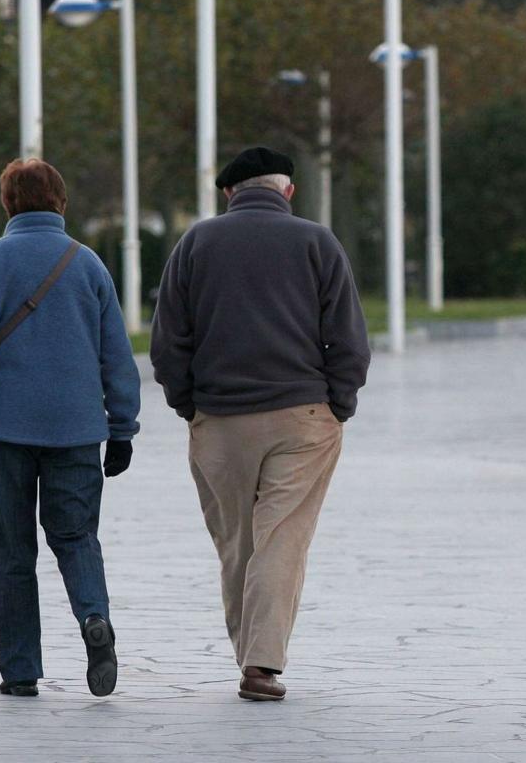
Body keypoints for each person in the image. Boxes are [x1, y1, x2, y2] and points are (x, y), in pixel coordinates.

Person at [151, 146, 370, 701]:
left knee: (238, 545)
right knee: (281, 540)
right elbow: (348, 339)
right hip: (302, 417)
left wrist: (190, 405)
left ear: (229, 193)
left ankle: (252, 658)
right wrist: (337, 403)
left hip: (220, 420)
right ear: (287, 191)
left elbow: (168, 342)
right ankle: (261, 664)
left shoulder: (196, 243)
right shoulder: (317, 243)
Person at [0, 158, 140, 699]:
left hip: (5, 432)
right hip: (77, 431)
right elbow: (118, 356)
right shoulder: (88, 266)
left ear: (8, 204)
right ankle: (93, 617)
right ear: (61, 201)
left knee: (14, 550)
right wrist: (123, 428)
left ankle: (20, 671)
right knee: (75, 536)